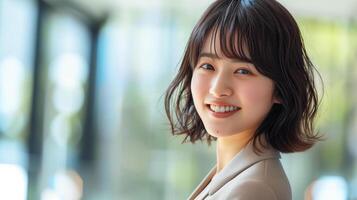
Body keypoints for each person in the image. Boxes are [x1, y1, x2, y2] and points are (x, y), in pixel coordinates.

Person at [164, 0, 322, 199]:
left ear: (280, 89)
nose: (218, 89)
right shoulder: (233, 174)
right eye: (207, 66)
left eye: (242, 71)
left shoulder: (253, 189)